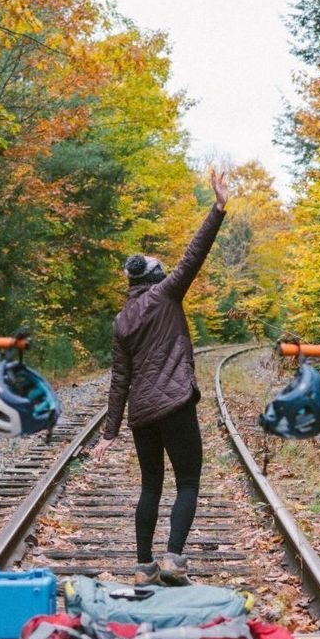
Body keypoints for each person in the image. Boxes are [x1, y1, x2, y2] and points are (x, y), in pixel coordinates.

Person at [90, 169, 228, 584]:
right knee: (188, 480)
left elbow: (120, 378)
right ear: (155, 278)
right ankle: (172, 559)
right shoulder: (166, 294)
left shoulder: (121, 319)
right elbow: (194, 254)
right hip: (175, 403)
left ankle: (142, 566)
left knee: (150, 485)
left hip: (142, 414)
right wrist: (218, 208)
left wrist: (109, 432)